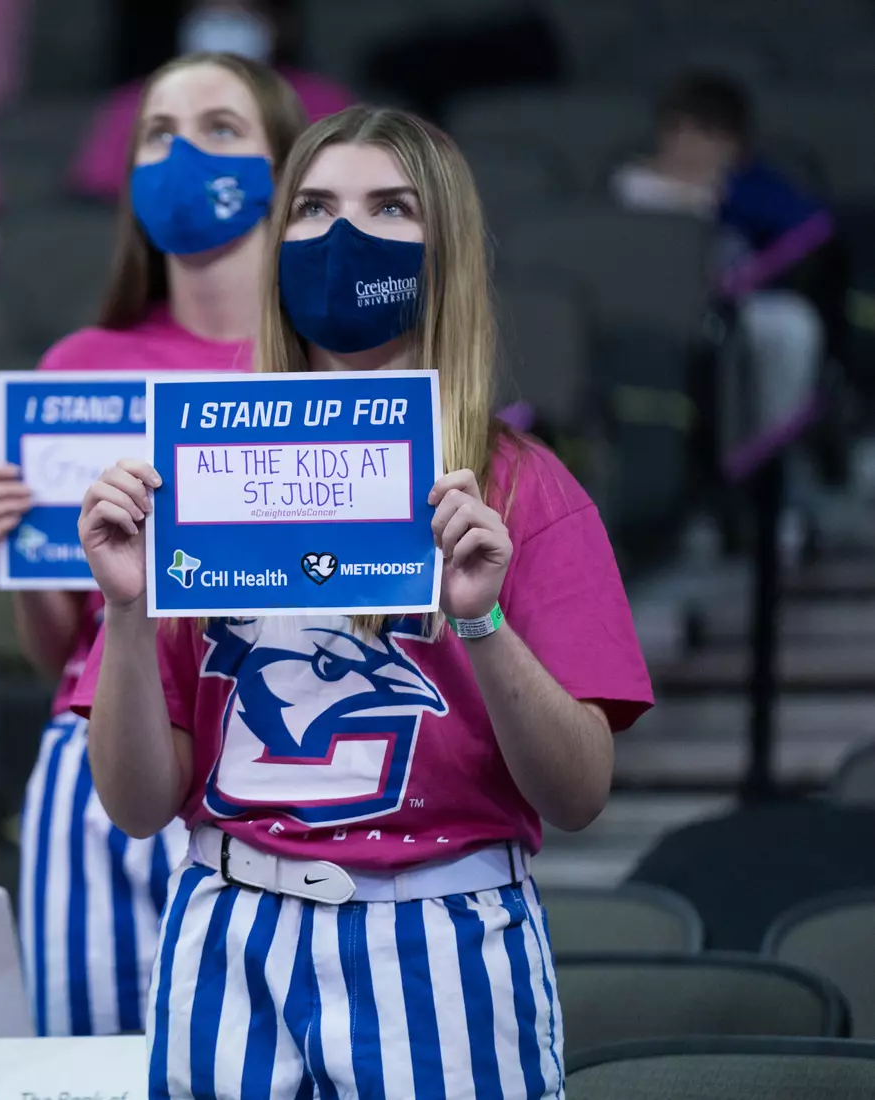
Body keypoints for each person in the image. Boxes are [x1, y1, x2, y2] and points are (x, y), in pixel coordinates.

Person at [74, 106, 654, 1098]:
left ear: (447, 250)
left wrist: (480, 621)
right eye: (312, 207)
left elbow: (578, 793)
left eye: (390, 206)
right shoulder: (198, 480)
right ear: (276, 240)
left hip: (440, 931)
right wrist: (126, 612)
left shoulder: (526, 489)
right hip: (226, 923)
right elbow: (135, 804)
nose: (344, 237)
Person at [0, 53, 306, 1038]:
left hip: (273, 741)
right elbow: (56, 649)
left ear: (287, 171)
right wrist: (17, 559)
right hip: (98, 753)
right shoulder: (80, 367)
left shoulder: (332, 375)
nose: (182, 154)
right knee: (98, 1057)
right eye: (159, 133)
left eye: (221, 129)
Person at [612, 71, 849, 558]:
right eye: (685, 132)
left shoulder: (741, 190)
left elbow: (814, 227)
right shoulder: (625, 186)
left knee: (791, 326)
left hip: (729, 317)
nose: (693, 148)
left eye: (712, 137)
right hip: (642, 323)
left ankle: (764, 486)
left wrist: (732, 191)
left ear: (736, 146)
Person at [71, 0, 350, 202]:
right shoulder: (135, 102)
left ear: (278, 26)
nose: (222, 31)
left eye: (239, 18)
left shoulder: (323, 100)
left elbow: (350, 178)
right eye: (210, 17)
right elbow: (99, 184)